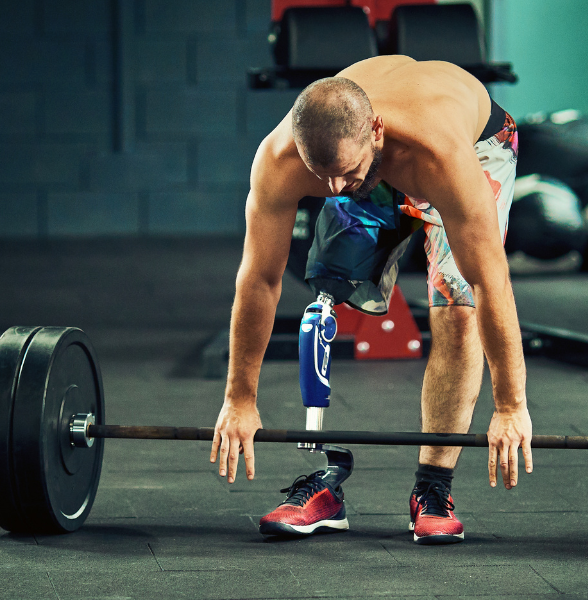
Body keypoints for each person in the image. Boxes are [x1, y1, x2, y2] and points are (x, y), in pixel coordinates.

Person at [211, 55, 533, 545]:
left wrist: (510, 405)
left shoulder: (442, 157)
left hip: (476, 144)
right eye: (323, 178)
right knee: (326, 293)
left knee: (459, 308)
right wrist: (239, 398)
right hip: (371, 158)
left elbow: (493, 282)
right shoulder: (282, 159)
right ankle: (323, 481)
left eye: (344, 173)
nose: (335, 190)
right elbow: (259, 280)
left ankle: (432, 489)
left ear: (376, 130)